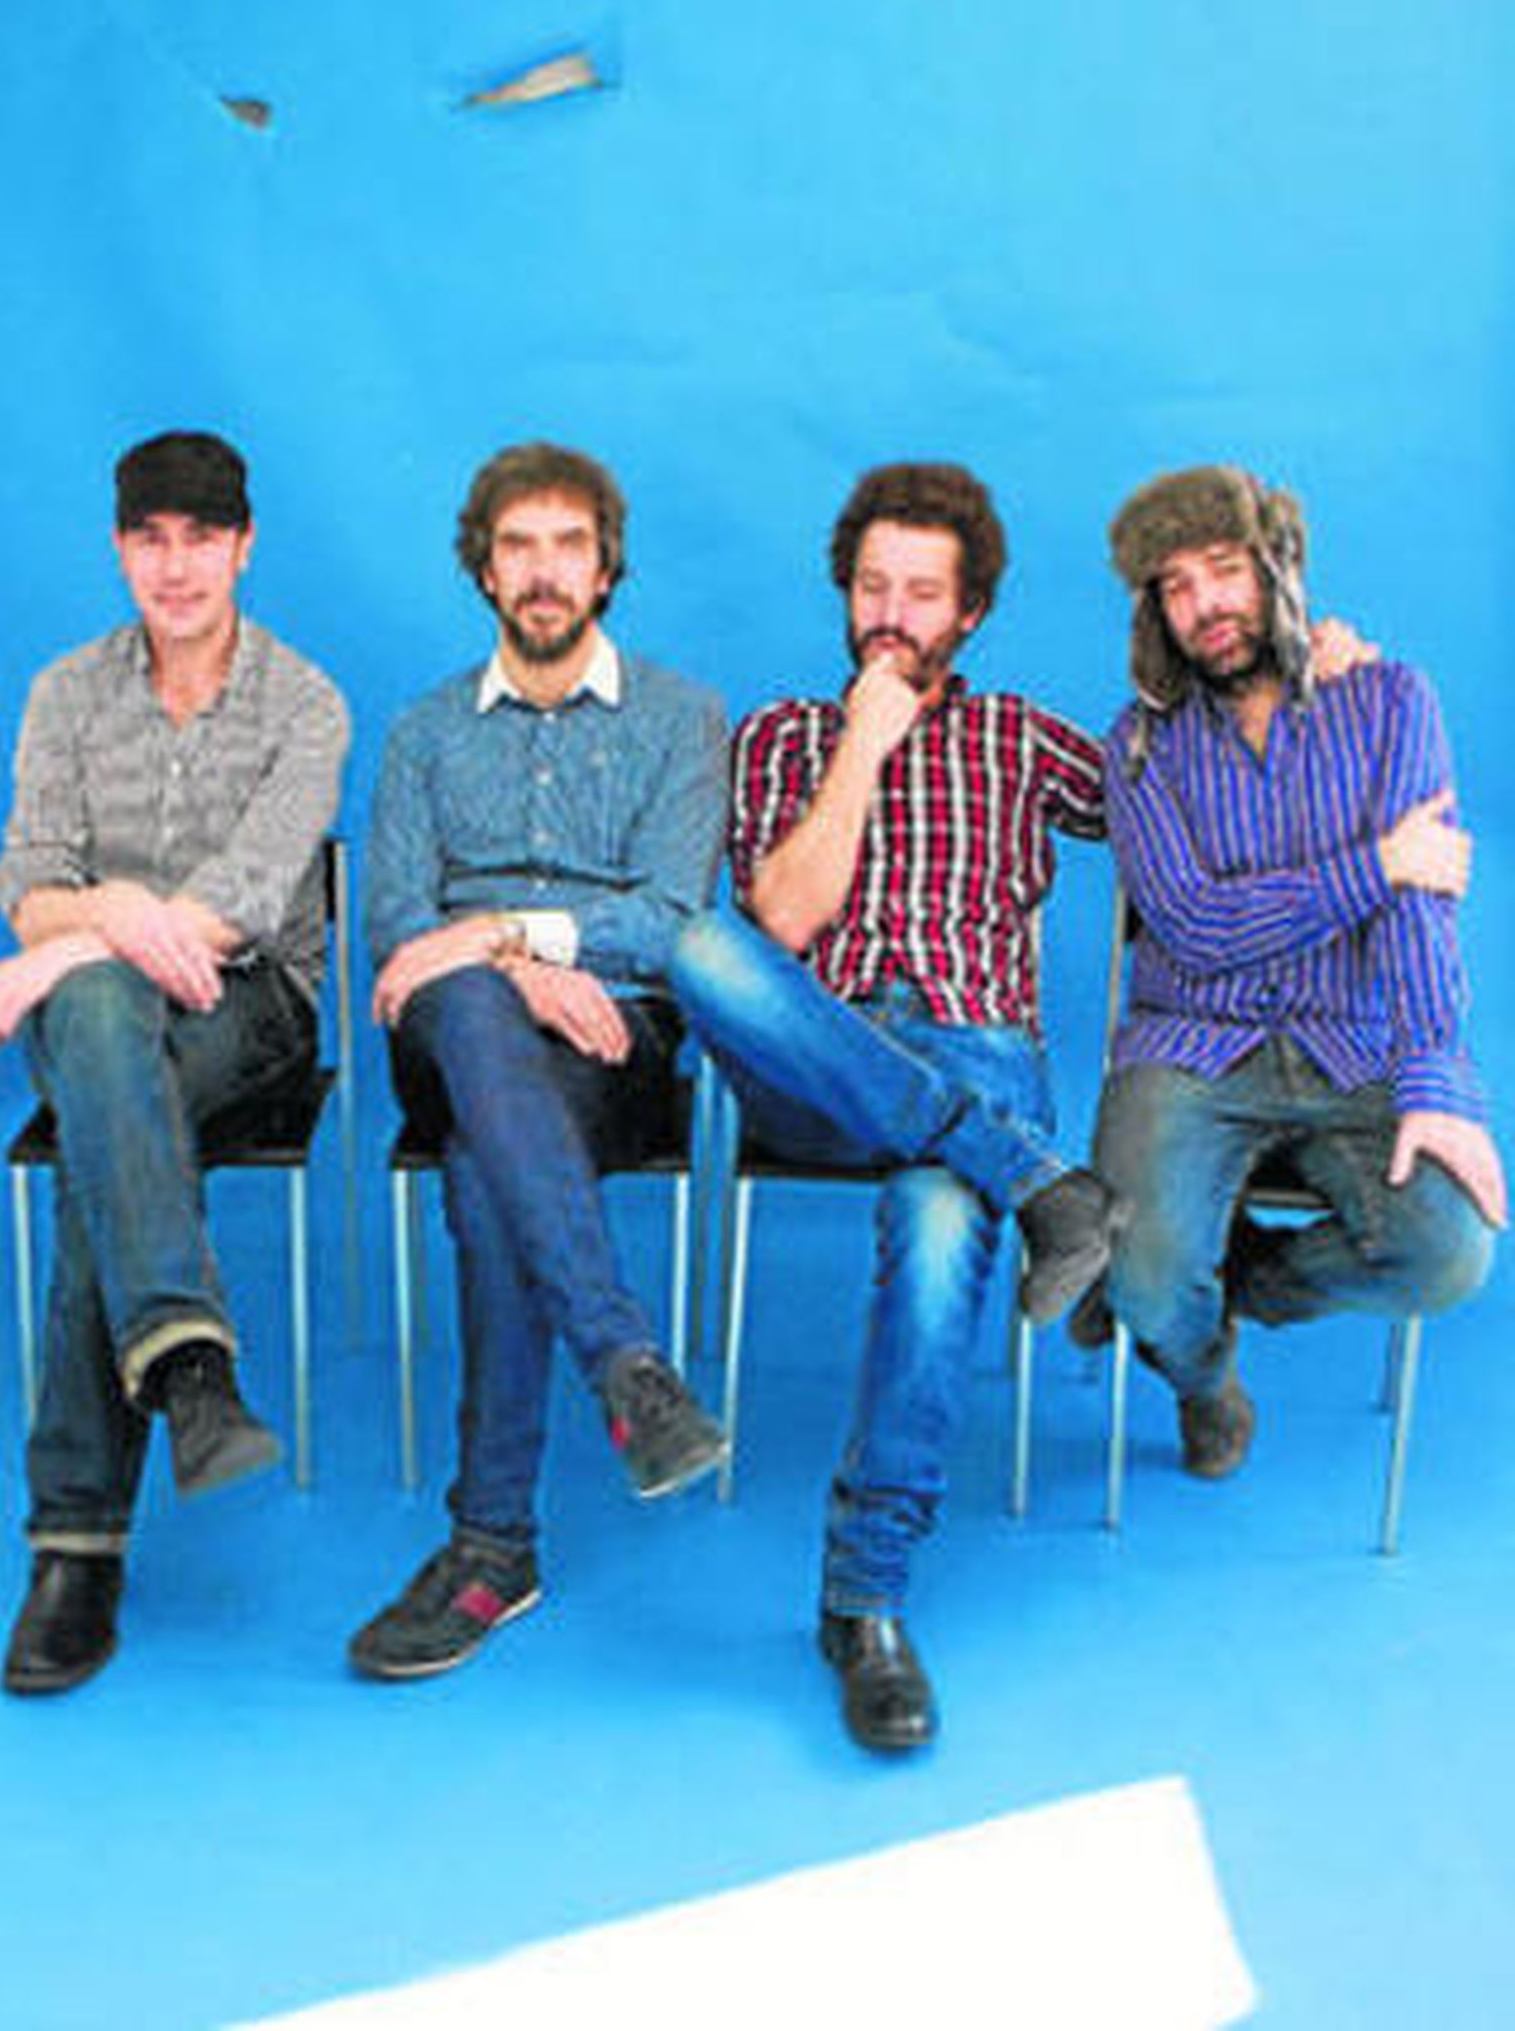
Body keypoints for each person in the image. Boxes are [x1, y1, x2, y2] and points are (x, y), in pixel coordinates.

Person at [668, 462, 1121, 1753]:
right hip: (822, 1058)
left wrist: (1321, 688)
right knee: (704, 948)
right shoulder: (779, 736)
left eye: (922, 594)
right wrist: (864, 741)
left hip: (978, 1045)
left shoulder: (1022, 737)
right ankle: (1031, 1178)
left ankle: (862, 1600)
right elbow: (784, 922)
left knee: (936, 1218)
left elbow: (1189, 799)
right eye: (872, 586)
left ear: (968, 613)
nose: (890, 614)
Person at [0, 431, 350, 1694]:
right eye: (150, 539)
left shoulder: (307, 703)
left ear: (244, 547)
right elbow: (27, 877)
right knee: (107, 1051)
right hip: (101, 1020)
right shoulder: (65, 693)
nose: (176, 567)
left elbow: (242, 902)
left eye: (201, 538)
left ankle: (76, 1548)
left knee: (98, 1098)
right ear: (120, 549)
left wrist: (85, 932)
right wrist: (95, 933)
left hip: (255, 1005)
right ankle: (187, 1363)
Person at [349, 441, 730, 1682]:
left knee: (485, 1168)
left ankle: (492, 1546)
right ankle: (625, 1362)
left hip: (614, 1046)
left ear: (607, 569)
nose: (545, 571)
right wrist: (510, 968)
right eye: (519, 546)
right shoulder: (423, 733)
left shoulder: (682, 718)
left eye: (570, 546)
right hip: (450, 1033)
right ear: (484, 570)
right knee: (466, 1002)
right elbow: (398, 927)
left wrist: (500, 931)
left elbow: (668, 922)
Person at [1092, 465, 1504, 1481]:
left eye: (1223, 569)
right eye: (1176, 586)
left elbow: (1420, 907)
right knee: (1147, 1282)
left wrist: (1436, 1080)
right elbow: (1192, 926)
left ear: (1276, 567)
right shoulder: (1138, 746)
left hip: (1349, 1045)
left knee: (1450, 1252)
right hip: (1190, 1046)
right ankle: (1202, 1379)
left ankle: (1241, 1280)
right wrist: (1373, 865)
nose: (1206, 605)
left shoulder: (1390, 701)